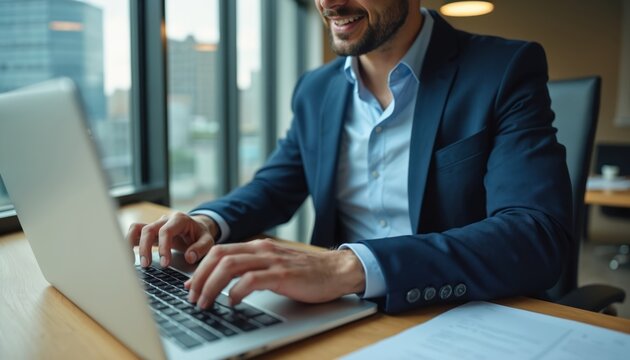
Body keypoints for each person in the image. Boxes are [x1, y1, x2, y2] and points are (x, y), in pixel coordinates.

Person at [127, 0, 572, 314]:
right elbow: (275, 187)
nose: (329, 3)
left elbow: (536, 235)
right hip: (337, 315)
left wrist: (349, 265)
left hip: (457, 310)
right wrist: (207, 222)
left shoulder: (504, 69)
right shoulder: (315, 89)